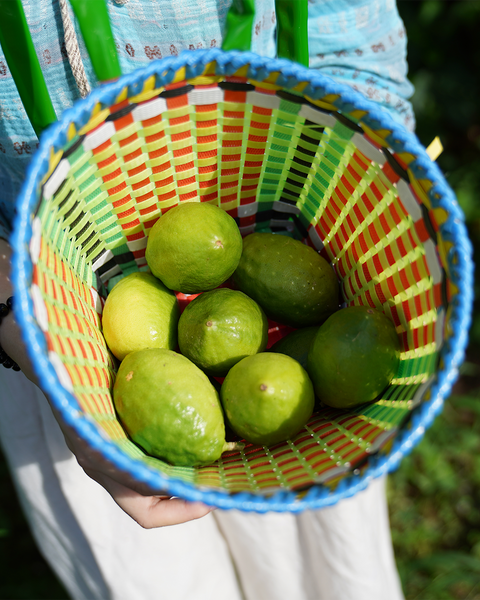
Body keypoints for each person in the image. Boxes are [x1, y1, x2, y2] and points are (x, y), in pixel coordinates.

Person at [0, 1, 414, 598]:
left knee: (319, 569)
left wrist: (362, 180)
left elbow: (352, 36)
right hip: (55, 346)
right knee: (151, 574)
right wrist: (17, 324)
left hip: (300, 418)